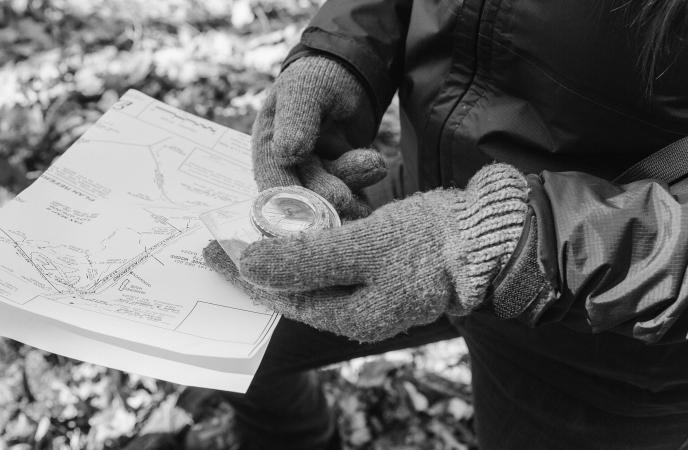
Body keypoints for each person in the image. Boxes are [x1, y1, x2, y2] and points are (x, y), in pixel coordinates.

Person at [202, 1, 688, 449]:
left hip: (602, 332)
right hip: (416, 200)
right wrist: (342, 56)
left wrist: (508, 241)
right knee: (215, 333)